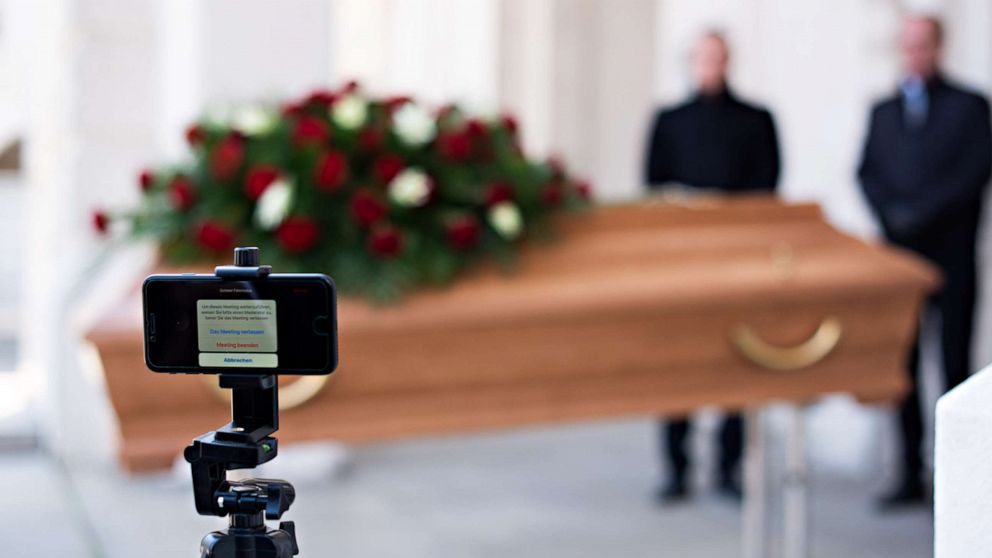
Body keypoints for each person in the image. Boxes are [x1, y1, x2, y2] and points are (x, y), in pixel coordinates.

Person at [858, 15, 992, 509]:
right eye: (908, 45)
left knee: (954, 364)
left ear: (938, 47)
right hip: (900, 258)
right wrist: (893, 216)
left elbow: (975, 171)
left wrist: (922, 213)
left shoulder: (969, 106)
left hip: (952, 256)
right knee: (904, 366)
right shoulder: (884, 111)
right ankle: (909, 472)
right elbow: (868, 171)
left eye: (923, 45)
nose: (915, 54)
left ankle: (958, 476)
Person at [644, 31, 781, 503]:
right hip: (681, 261)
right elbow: (652, 188)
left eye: (717, 57)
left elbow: (768, 186)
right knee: (675, 362)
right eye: (703, 58)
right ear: (691, 63)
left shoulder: (755, 120)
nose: (710, 66)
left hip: (736, 259)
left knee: (736, 358)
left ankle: (729, 467)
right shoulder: (669, 120)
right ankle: (677, 468)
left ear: (728, 61)